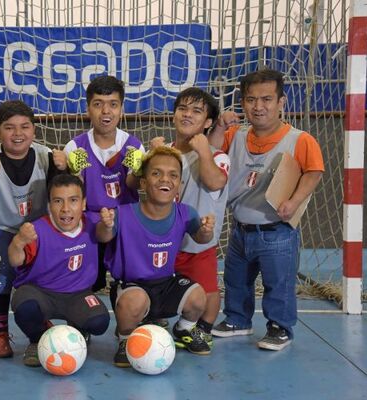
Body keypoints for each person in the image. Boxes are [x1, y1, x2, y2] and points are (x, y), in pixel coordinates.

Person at [209, 69, 324, 351]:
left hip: (277, 230)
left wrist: (295, 201)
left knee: (279, 283)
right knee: (236, 279)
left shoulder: (300, 139)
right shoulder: (234, 135)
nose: (258, 106)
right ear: (242, 102)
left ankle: (280, 327)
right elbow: (209, 151)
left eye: (266, 99)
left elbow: (314, 172)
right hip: (240, 229)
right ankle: (238, 319)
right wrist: (220, 127)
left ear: (281, 102)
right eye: (250, 99)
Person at [96, 146, 216, 367]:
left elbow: (200, 238)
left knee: (199, 297)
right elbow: (103, 237)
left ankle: (184, 329)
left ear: (179, 184)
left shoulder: (186, 213)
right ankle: (125, 338)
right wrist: (106, 226)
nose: (165, 179)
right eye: (156, 173)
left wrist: (206, 232)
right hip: (132, 285)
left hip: (166, 284)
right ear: (143, 183)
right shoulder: (123, 213)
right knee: (133, 302)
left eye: (173, 175)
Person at [0, 100, 68, 358]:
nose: (18, 134)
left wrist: (64, 169)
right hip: (0, 227)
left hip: (37, 229)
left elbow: (57, 194)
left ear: (34, 130)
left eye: (25, 127)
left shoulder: (46, 155)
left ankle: (38, 326)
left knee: (38, 280)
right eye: (9, 127)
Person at [149, 88, 230, 348]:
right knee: (151, 287)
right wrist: (152, 156)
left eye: (196, 111)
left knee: (206, 291)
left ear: (208, 123)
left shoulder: (217, 157)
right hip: (162, 242)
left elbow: (215, 182)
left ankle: (199, 328)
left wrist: (204, 151)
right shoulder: (163, 151)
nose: (187, 115)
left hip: (196, 243)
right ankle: (155, 319)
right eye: (182, 108)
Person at [7, 174, 110, 366]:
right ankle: (37, 340)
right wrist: (19, 241)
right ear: (49, 205)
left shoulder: (93, 223)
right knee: (24, 304)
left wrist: (108, 224)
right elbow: (15, 259)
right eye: (58, 201)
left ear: (84, 204)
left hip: (78, 295)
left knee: (100, 322)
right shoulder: (37, 229)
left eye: (73, 200)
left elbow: (105, 235)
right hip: (42, 293)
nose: (65, 209)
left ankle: (78, 330)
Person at [64, 75, 145, 293]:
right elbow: (76, 192)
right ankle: (84, 315)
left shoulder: (133, 146)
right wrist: (73, 171)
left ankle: (132, 315)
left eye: (113, 105)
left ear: (121, 109)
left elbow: (132, 185)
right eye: (98, 104)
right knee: (88, 281)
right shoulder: (75, 147)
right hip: (90, 221)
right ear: (88, 108)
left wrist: (138, 169)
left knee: (130, 279)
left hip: (124, 219)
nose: (106, 112)